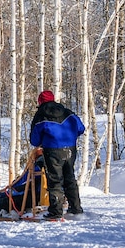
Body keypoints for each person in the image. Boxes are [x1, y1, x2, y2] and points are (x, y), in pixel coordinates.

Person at [30, 90, 85, 219]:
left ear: (40, 102)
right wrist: (69, 137)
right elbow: (81, 128)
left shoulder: (40, 115)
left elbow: (34, 140)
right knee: (70, 178)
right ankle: (76, 208)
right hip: (70, 149)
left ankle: (56, 212)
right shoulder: (67, 112)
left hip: (52, 150)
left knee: (55, 181)